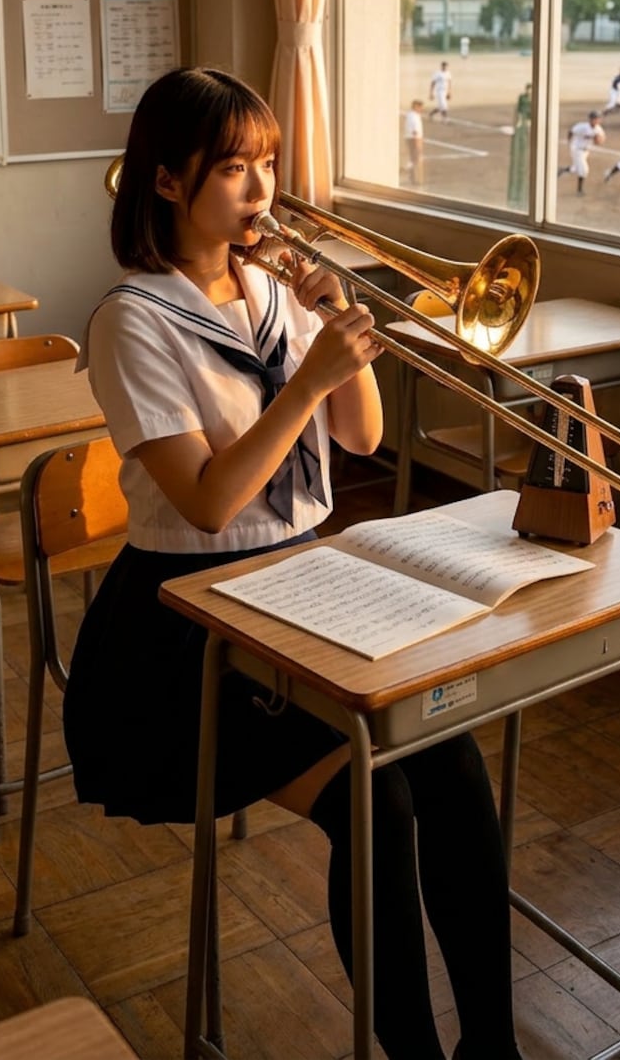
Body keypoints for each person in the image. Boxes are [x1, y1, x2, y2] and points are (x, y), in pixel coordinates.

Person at [62, 67, 524, 1060]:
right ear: (169, 181)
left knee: (452, 764)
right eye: (232, 167)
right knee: (376, 795)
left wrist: (338, 341)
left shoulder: (277, 290)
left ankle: (493, 1040)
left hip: (303, 585)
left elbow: (359, 440)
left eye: (266, 163)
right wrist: (305, 377)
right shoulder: (130, 319)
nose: (261, 188)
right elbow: (208, 497)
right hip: (187, 626)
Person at [558, 109, 605, 194]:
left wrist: (598, 140)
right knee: (584, 170)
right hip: (577, 149)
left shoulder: (598, 129)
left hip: (586, 151)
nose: (596, 120)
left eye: (598, 118)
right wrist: (569, 142)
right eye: (594, 118)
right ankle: (579, 190)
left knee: (576, 169)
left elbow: (600, 141)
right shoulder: (582, 126)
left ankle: (562, 170)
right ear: (590, 119)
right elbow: (571, 131)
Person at [403, 98, 425, 185]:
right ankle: (412, 175)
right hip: (414, 139)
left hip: (410, 138)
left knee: (413, 158)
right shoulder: (414, 117)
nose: (422, 109)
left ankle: (412, 176)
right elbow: (415, 131)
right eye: (420, 107)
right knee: (415, 159)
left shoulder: (410, 115)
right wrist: (417, 144)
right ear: (416, 106)